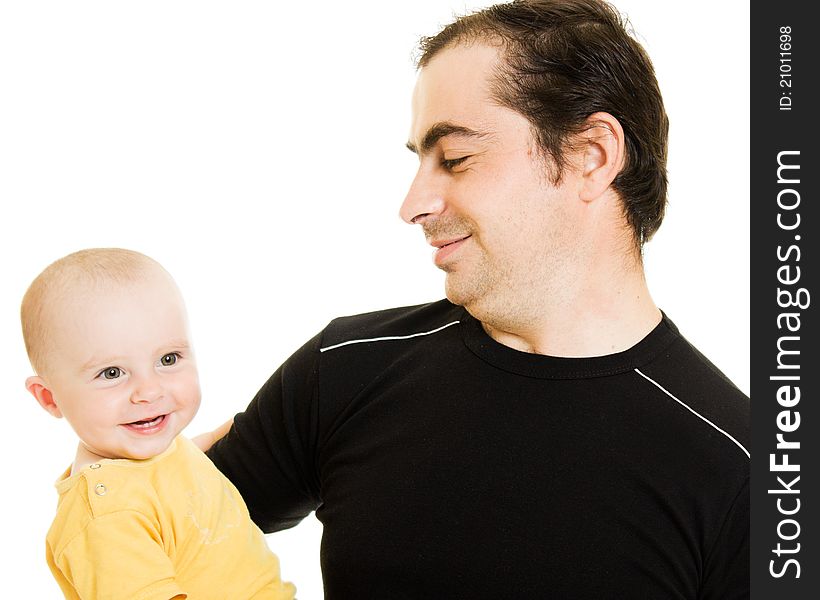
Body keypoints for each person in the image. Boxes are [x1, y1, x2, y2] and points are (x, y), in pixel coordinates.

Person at [204, 0, 749, 597]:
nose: (413, 205)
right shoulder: (342, 370)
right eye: (422, 163)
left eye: (456, 159)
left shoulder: (746, 472)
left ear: (591, 155)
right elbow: (138, 527)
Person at [21, 248, 295, 599]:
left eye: (168, 359)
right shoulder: (106, 518)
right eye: (112, 373)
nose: (148, 391)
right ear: (49, 397)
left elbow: (184, 465)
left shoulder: (155, 450)